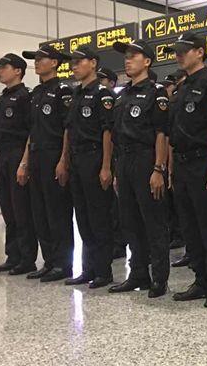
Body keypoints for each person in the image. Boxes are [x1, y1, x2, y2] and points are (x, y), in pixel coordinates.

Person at [164, 32, 207, 307]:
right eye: (177, 51)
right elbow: (173, 133)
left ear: (200, 52)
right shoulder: (181, 89)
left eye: (185, 50)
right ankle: (200, 279)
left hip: (203, 163)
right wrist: (170, 168)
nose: (179, 55)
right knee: (189, 228)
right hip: (181, 165)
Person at [108, 39, 171, 298]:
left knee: (153, 221)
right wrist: (115, 171)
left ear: (147, 61)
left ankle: (159, 278)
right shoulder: (122, 96)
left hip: (146, 160)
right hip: (124, 161)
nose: (128, 60)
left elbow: (161, 133)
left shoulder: (156, 92)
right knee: (130, 221)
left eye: (133, 56)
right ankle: (138, 274)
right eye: (126, 56)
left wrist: (158, 169)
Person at [62, 48, 116, 289]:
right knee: (82, 217)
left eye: (78, 61)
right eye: (72, 62)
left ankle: (103, 271)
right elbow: (69, 129)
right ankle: (88, 268)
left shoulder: (102, 94)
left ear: (93, 63)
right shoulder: (75, 94)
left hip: (94, 158)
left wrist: (106, 166)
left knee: (98, 217)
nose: (73, 66)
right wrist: (63, 159)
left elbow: (108, 132)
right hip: (76, 159)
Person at [20, 45, 74, 282]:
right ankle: (49, 261)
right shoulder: (35, 94)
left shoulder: (63, 91)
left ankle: (63, 264)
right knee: (40, 212)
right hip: (36, 156)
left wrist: (63, 159)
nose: (37, 62)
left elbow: (67, 128)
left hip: (54, 155)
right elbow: (31, 131)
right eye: (35, 59)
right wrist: (24, 162)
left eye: (41, 59)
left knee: (57, 212)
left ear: (54, 63)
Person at [0, 53, 38, 274]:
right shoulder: (1, 99)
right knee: (7, 209)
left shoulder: (26, 97)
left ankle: (27, 259)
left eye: (4, 67)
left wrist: (24, 163)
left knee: (21, 209)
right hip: (2, 155)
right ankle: (13, 255)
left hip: (18, 154)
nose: (0, 71)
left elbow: (31, 132)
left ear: (18, 71)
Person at [97, 66, 127, 260]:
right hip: (97, 157)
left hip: (114, 157)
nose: (100, 82)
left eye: (103, 79)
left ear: (112, 82)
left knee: (114, 204)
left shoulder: (113, 100)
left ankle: (118, 242)